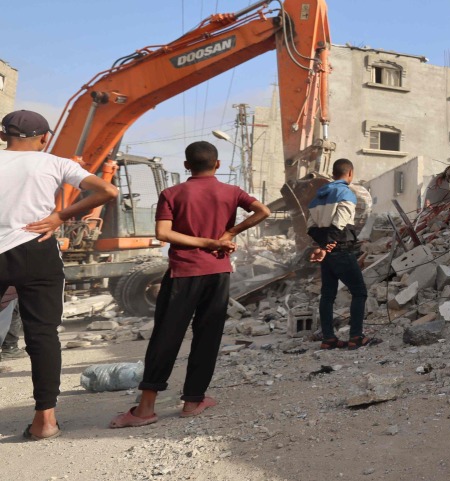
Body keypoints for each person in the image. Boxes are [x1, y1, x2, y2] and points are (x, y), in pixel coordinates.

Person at [109, 141, 270, 428]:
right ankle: (193, 401)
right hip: (218, 273)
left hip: (183, 273)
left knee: (166, 336)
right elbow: (263, 211)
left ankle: (145, 409)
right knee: (207, 336)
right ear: (217, 164)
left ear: (186, 166)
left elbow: (163, 232)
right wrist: (228, 233)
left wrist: (205, 241)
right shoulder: (231, 192)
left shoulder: (172, 193)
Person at [0, 110, 118, 439]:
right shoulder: (55, 163)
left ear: (2, 136)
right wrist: (59, 216)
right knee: (42, 337)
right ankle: (45, 421)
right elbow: (108, 191)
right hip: (37, 251)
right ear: (45, 138)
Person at [307, 159, 379, 350]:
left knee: (327, 295)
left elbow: (310, 227)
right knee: (359, 292)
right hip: (341, 250)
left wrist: (322, 247)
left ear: (333, 174)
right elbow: (339, 225)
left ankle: (328, 338)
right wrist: (328, 247)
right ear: (350, 173)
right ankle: (356, 337)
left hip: (327, 253)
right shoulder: (346, 193)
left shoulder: (319, 196)